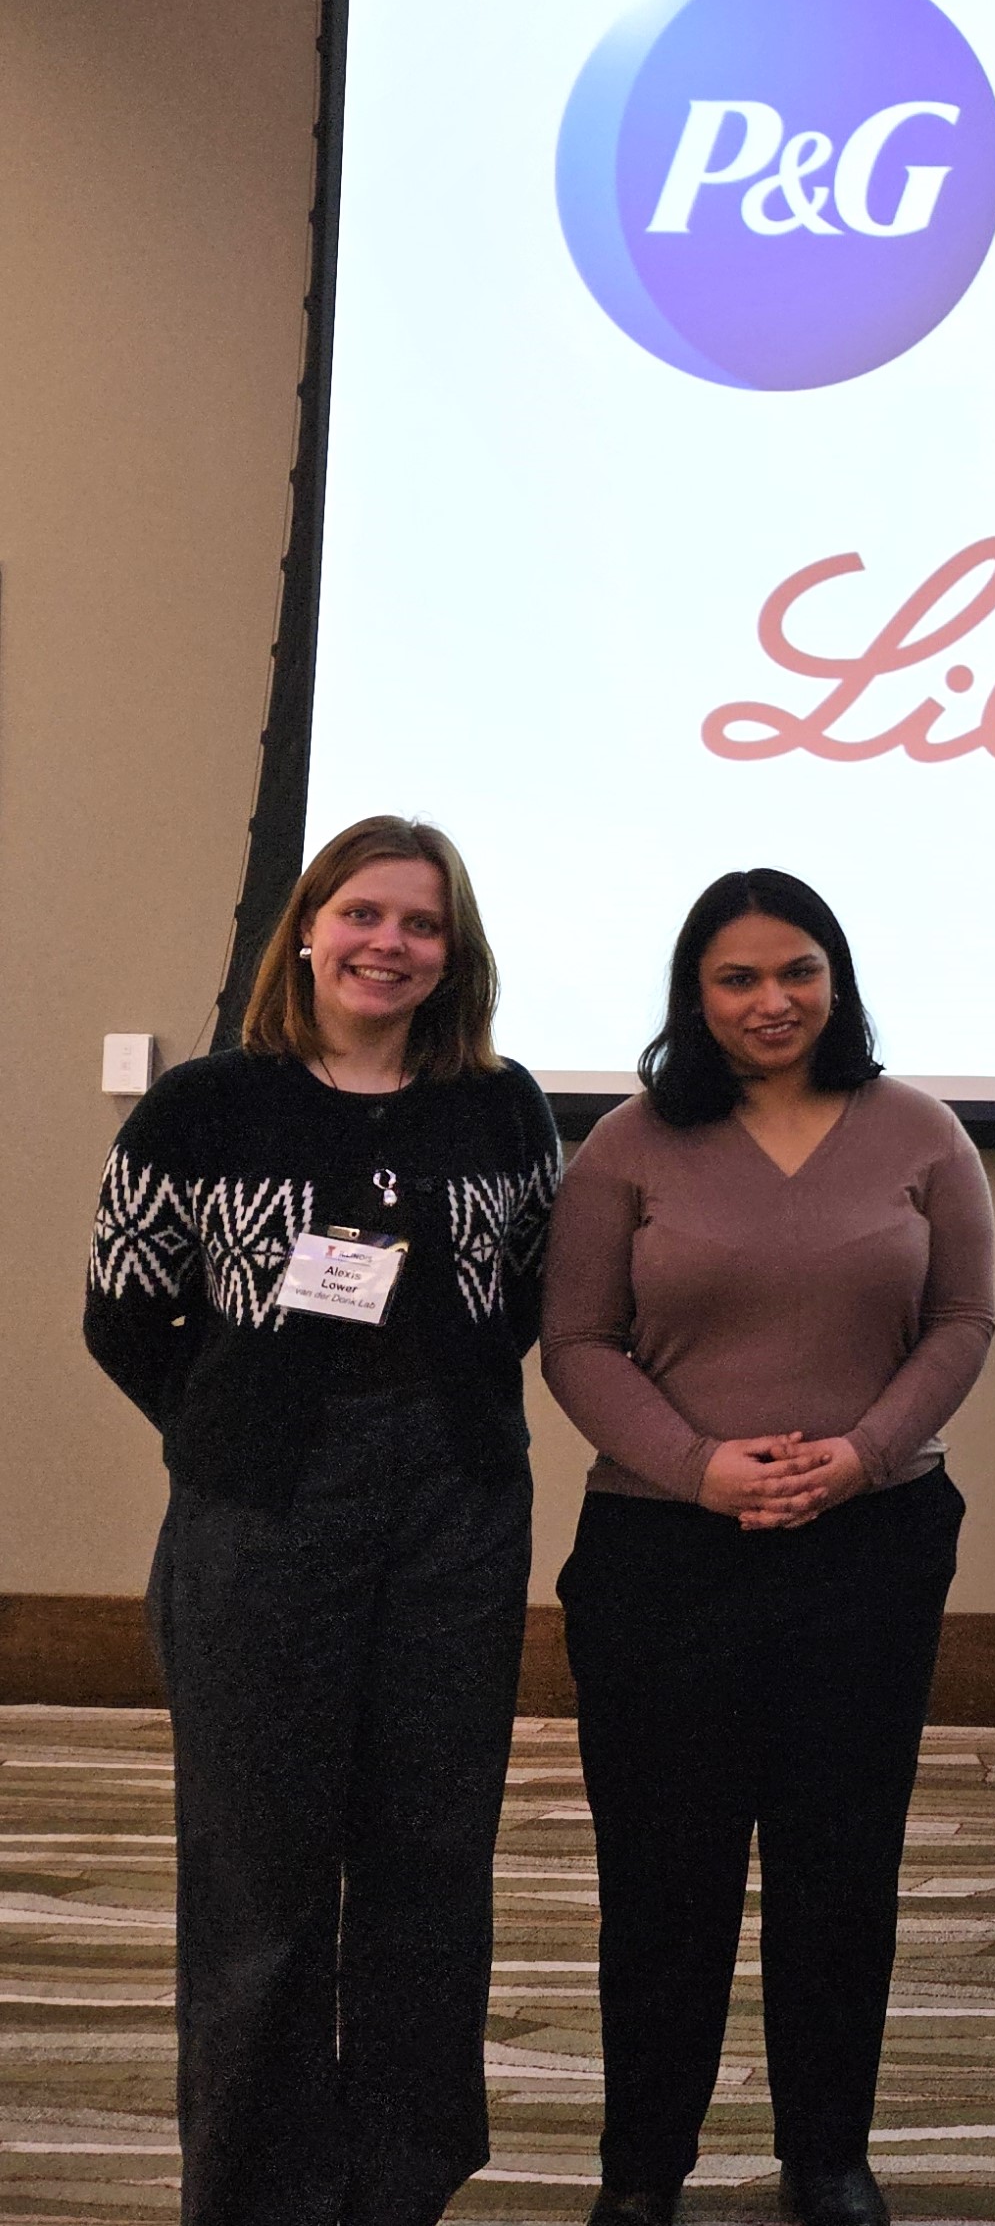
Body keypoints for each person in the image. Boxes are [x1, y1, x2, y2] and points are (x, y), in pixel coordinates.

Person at [82, 814, 561, 2226]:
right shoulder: (206, 1106)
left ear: (451, 952)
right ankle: (261, 2187)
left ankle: (401, 2178)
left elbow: (527, 1295)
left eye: (420, 923)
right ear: (308, 926)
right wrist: (235, 1428)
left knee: (429, 1858)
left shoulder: (502, 1103)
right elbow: (124, 1310)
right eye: (363, 913)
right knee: (259, 1871)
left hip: (456, 1517)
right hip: (260, 1519)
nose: (388, 943)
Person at [542, 869, 995, 2226]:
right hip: (659, 1559)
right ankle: (643, 2169)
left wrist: (861, 1454)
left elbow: (962, 1324)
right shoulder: (626, 1144)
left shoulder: (920, 1131)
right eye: (736, 977)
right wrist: (697, 1466)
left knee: (839, 1872)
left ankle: (826, 2154)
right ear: (695, 993)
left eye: (797, 969)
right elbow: (577, 1342)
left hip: (869, 1549)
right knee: (664, 1879)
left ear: (837, 978)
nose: (771, 999)